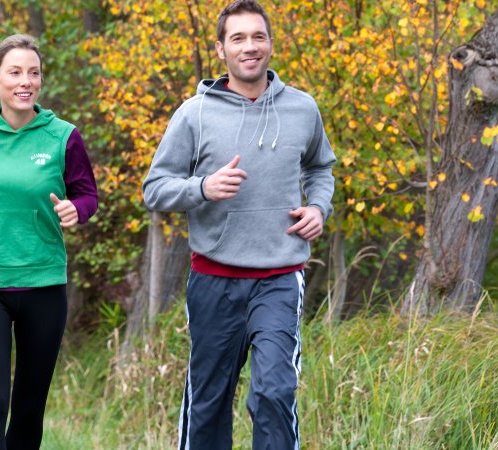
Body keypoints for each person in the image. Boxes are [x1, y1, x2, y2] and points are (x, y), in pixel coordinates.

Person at [142, 1, 337, 448]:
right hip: (214, 280)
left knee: (275, 391)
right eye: (238, 39)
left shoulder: (302, 108)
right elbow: (155, 188)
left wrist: (318, 209)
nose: (250, 47)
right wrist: (203, 187)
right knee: (208, 402)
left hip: (280, 276)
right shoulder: (194, 113)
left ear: (270, 43)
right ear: (221, 49)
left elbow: (320, 168)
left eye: (258, 37)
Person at [0, 34, 98, 449]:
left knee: (29, 408)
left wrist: (75, 210)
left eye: (34, 72)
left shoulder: (63, 136)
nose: (25, 81)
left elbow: (87, 194)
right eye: (15, 72)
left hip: (44, 283)